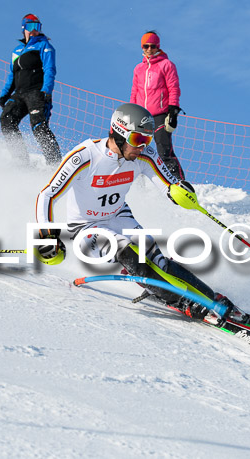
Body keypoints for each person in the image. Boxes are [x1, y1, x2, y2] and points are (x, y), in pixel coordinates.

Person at [34, 102, 234, 320]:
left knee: (154, 256)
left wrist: (179, 192)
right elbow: (47, 195)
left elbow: (167, 184)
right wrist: (47, 236)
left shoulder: (143, 155)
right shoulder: (84, 157)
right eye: (138, 139)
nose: (142, 147)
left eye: (146, 140)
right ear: (118, 134)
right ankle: (182, 300)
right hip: (85, 226)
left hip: (119, 216)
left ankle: (210, 297)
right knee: (126, 250)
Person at [0, 13, 62, 165]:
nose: (34, 31)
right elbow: (11, 75)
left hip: (37, 92)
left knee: (38, 127)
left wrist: (46, 90)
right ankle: (21, 161)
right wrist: (5, 94)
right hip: (19, 94)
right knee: (6, 120)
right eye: (31, 27)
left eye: (37, 27)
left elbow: (49, 69)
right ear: (24, 29)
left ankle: (55, 164)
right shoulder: (16, 51)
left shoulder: (44, 45)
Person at [130, 31, 184, 180]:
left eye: (152, 46)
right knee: (136, 150)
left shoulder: (166, 65)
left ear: (157, 47)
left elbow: (173, 88)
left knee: (164, 149)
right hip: (142, 116)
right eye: (146, 46)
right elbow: (135, 92)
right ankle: (140, 185)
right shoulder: (138, 69)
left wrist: (173, 111)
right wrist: (132, 113)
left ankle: (178, 182)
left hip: (160, 114)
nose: (149, 49)